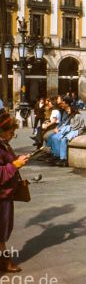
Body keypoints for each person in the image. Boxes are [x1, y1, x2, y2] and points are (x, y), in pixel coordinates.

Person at [0, 112, 30, 273]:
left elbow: (8, 161)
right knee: (1, 231)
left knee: (3, 230)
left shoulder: (4, 144)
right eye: (10, 132)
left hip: (6, 194)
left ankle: (4, 261)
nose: (12, 136)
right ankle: (4, 262)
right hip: (1, 195)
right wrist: (15, 165)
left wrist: (19, 159)